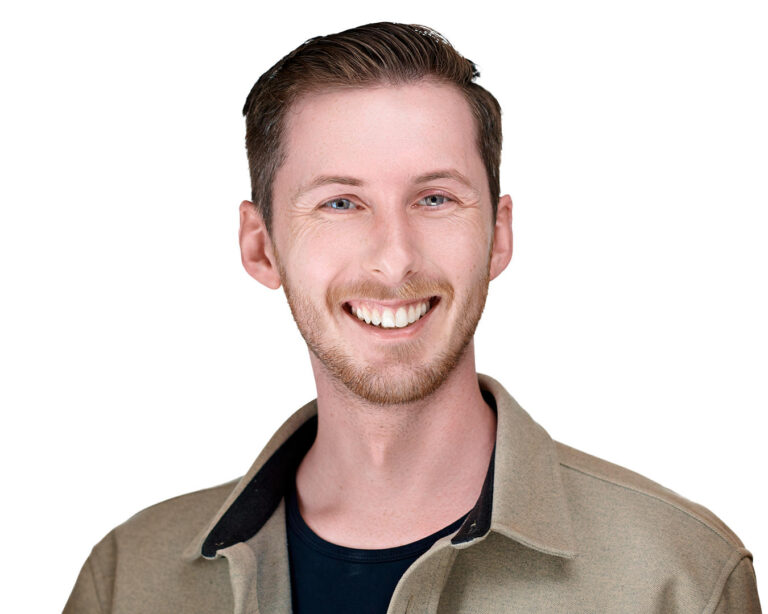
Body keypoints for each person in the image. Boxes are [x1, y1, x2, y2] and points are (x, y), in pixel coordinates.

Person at [64, 22, 761, 614]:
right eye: (341, 203)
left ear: (499, 234)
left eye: (434, 199)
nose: (394, 260)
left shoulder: (678, 578)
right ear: (261, 246)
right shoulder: (129, 581)